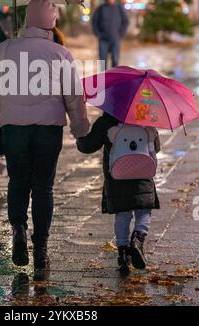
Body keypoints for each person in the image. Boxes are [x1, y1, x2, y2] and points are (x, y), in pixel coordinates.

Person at [0, 0, 89, 280]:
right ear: (52, 23)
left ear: (27, 20)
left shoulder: (4, 48)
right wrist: (80, 128)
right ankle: (40, 248)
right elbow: (73, 96)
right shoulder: (60, 53)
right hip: (48, 129)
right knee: (43, 188)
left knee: (18, 181)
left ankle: (18, 229)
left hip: (14, 127)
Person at [77, 112, 161, 275]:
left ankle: (122, 252)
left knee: (123, 213)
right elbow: (156, 147)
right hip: (142, 175)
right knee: (144, 210)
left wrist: (80, 135)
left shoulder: (106, 121)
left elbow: (87, 146)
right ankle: (138, 239)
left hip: (117, 177)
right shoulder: (145, 117)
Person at [92, 0, 129, 69]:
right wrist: (97, 33)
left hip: (115, 39)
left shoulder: (119, 8)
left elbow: (125, 21)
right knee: (102, 61)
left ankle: (113, 79)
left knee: (115, 60)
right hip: (103, 39)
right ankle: (102, 79)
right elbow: (94, 22)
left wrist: (121, 33)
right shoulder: (101, 8)